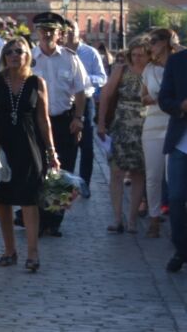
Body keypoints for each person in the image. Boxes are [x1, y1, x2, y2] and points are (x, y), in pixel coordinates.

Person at [0, 37, 58, 273]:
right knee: (2, 198)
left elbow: (43, 119)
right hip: (0, 145)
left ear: (28, 56)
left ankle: (32, 252)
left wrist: (51, 151)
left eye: (20, 51)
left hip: (28, 144)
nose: (15, 55)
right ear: (4, 56)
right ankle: (9, 249)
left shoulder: (37, 82)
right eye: (10, 51)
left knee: (28, 197)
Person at [29, 14, 90, 237]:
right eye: (42, 30)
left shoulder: (70, 58)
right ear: (37, 32)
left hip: (63, 120)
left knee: (61, 171)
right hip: (35, 121)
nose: (46, 34)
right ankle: (37, 218)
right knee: (37, 169)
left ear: (59, 34)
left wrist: (79, 118)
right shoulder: (30, 58)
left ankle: (54, 220)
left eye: (51, 30)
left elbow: (81, 91)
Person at [96, 36, 149, 233]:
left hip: (145, 126)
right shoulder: (122, 70)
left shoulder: (153, 71)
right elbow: (106, 95)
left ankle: (133, 219)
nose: (137, 59)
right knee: (116, 172)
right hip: (122, 125)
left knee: (138, 173)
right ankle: (118, 218)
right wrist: (101, 123)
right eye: (134, 55)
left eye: (141, 55)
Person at [140, 28, 176, 237]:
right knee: (153, 175)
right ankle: (154, 217)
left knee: (174, 176)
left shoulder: (179, 65)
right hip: (153, 123)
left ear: (166, 42)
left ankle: (177, 220)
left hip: (174, 123)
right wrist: (156, 99)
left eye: (154, 41)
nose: (150, 45)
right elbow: (143, 97)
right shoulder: (149, 69)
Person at [64, 25, 107, 197]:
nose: (68, 34)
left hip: (86, 101)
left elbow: (102, 78)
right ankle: (64, 182)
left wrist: (83, 79)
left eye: (71, 31)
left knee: (87, 146)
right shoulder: (59, 53)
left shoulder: (90, 53)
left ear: (78, 32)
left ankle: (84, 183)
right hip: (65, 102)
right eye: (65, 31)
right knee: (65, 144)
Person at [156, 40, 187, 273]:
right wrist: (181, 106)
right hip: (180, 143)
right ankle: (181, 249)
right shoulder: (177, 62)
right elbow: (164, 99)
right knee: (175, 198)